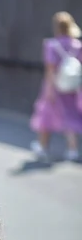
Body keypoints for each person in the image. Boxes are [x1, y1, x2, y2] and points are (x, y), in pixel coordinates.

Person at [30, 11, 82, 162]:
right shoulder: (77, 45)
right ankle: (72, 149)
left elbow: (50, 69)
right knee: (70, 115)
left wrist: (49, 91)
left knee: (46, 116)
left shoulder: (51, 44)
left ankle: (42, 146)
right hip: (72, 87)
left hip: (55, 86)